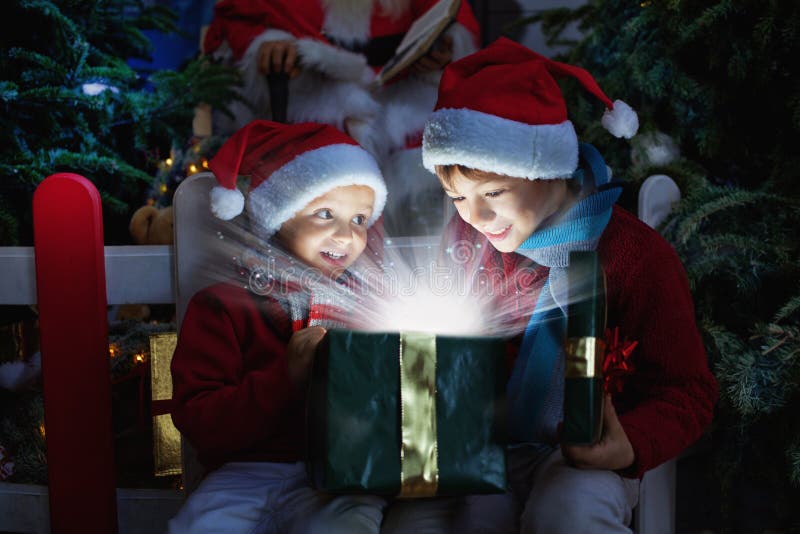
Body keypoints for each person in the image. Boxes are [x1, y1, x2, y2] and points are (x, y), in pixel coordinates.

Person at [421, 38, 719, 532]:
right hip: (484, 444)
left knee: (570, 510)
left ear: (547, 168)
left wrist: (630, 443)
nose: (475, 216)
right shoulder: (465, 243)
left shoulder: (633, 256)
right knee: (466, 514)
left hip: (588, 453)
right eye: (456, 197)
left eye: (494, 192)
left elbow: (688, 390)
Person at [168, 120, 403, 533]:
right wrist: (286, 378)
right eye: (325, 213)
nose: (345, 235)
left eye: (360, 219)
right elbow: (200, 420)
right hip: (244, 474)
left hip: (342, 480)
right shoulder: (225, 306)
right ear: (276, 214)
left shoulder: (373, 310)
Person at [202, 0, 481, 235]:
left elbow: (448, 16)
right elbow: (244, 19)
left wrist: (444, 47)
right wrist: (271, 43)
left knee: (430, 195)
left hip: (406, 96)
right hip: (313, 90)